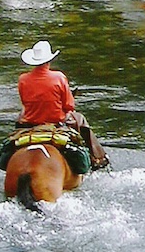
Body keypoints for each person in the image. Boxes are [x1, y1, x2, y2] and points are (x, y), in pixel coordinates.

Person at [16, 39, 110, 170]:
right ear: (49, 60)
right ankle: (97, 158)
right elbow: (69, 106)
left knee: (19, 119)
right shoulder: (58, 77)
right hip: (57, 122)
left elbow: (25, 102)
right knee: (80, 119)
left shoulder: (23, 79)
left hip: (31, 122)